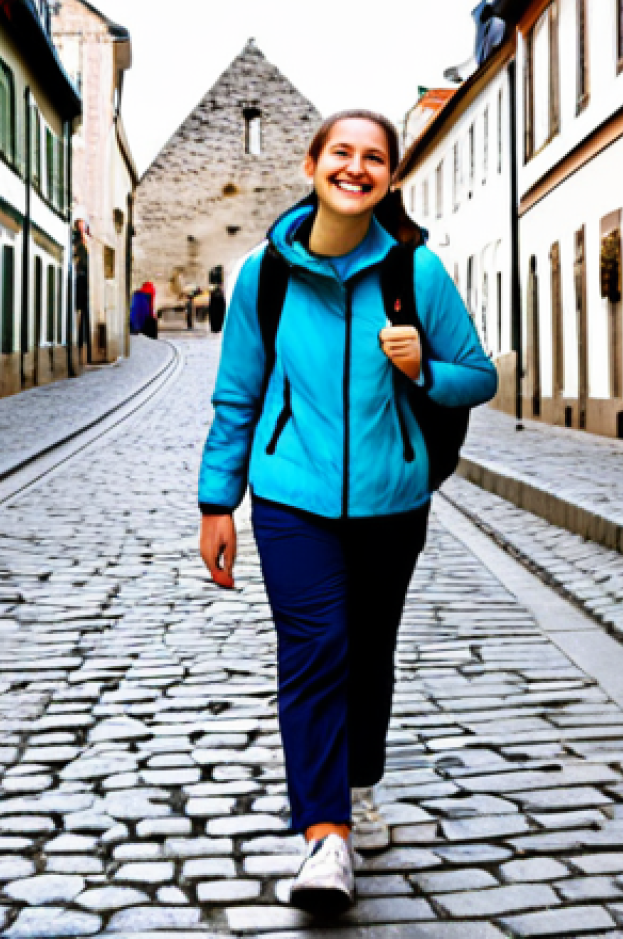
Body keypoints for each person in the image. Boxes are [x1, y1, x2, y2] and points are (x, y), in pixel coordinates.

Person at [197, 110, 497, 916]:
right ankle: (324, 836)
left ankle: (360, 785)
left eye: (374, 158)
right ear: (311, 164)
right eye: (342, 154)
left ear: (390, 178)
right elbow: (237, 396)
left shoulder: (415, 273)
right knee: (316, 651)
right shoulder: (265, 276)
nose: (356, 168)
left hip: (392, 503)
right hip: (290, 498)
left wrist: (425, 366)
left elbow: (480, 376)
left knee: (368, 654)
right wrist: (217, 501)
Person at [73, 219, 92, 363]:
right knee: (80, 315)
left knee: (84, 317)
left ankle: (84, 349)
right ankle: (80, 349)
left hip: (84, 284)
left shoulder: (86, 242)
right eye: (81, 225)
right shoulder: (77, 242)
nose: (82, 228)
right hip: (79, 283)